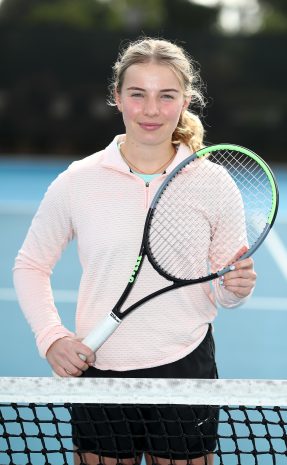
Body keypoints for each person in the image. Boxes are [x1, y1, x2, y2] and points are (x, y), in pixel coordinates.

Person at [13, 37, 257, 465]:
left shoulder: (214, 183)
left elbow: (223, 290)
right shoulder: (78, 180)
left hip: (186, 369)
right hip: (100, 370)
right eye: (137, 94)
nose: (151, 110)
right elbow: (31, 265)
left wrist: (236, 288)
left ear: (185, 101)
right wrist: (51, 337)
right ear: (117, 98)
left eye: (166, 96)